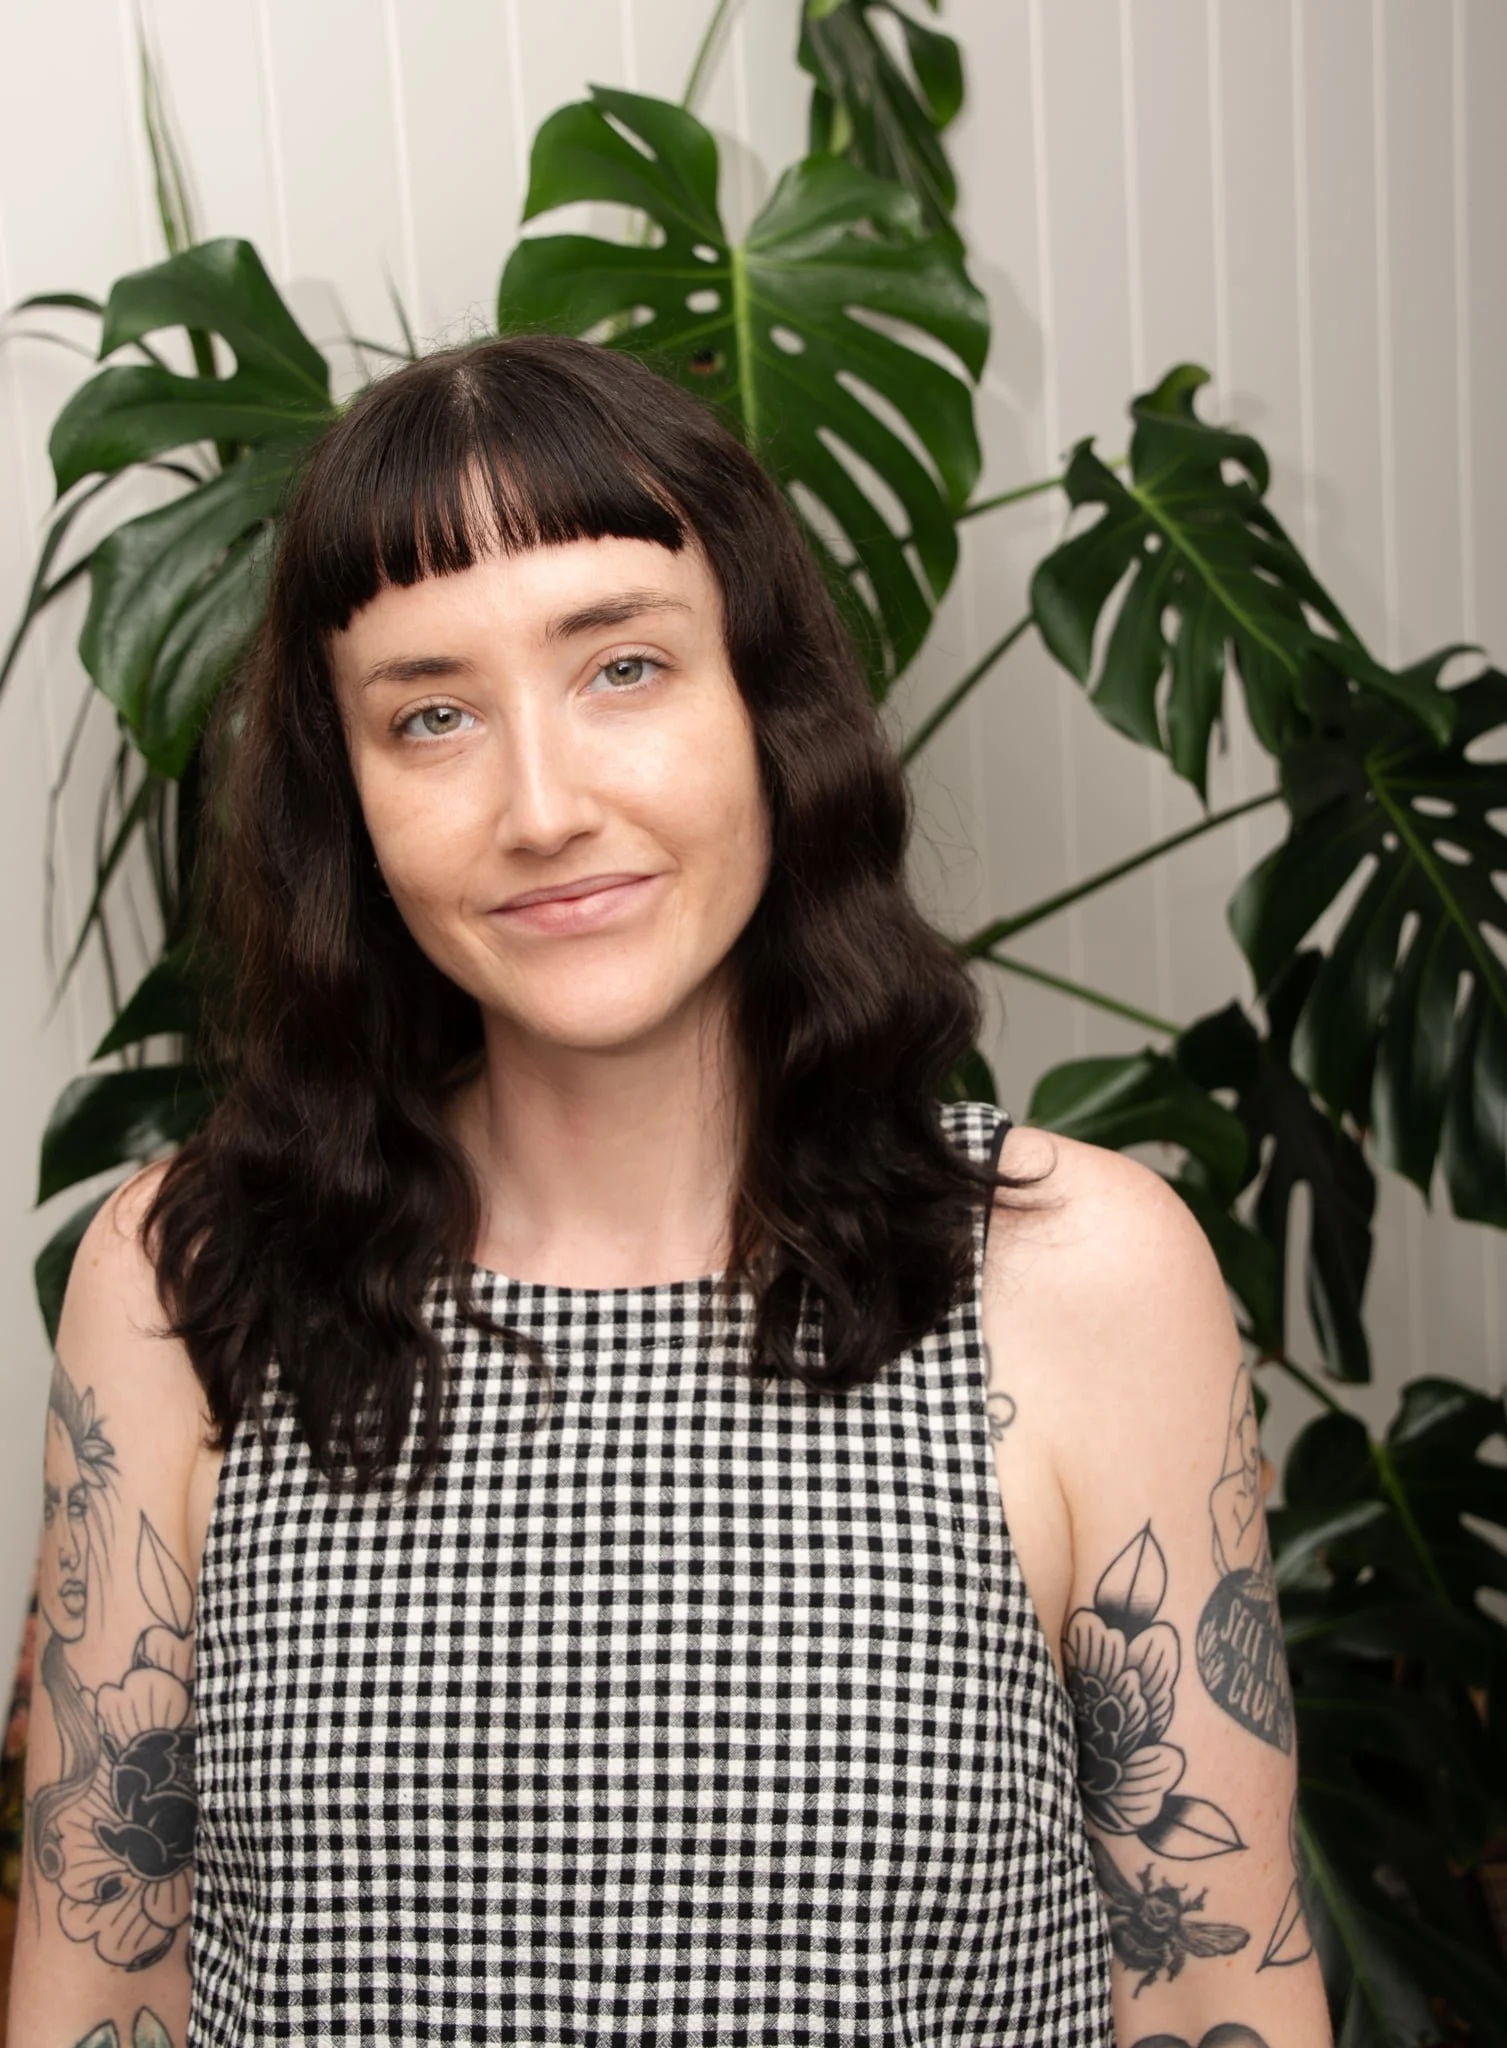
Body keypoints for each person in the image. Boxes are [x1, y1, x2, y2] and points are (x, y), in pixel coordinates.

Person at [9, 332, 1332, 2048]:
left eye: (622, 669)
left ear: (767, 710)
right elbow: (101, 1980)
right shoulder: (188, 1273)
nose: (543, 806)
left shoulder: (1074, 1271)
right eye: (430, 715)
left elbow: (1215, 1990)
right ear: (349, 805)